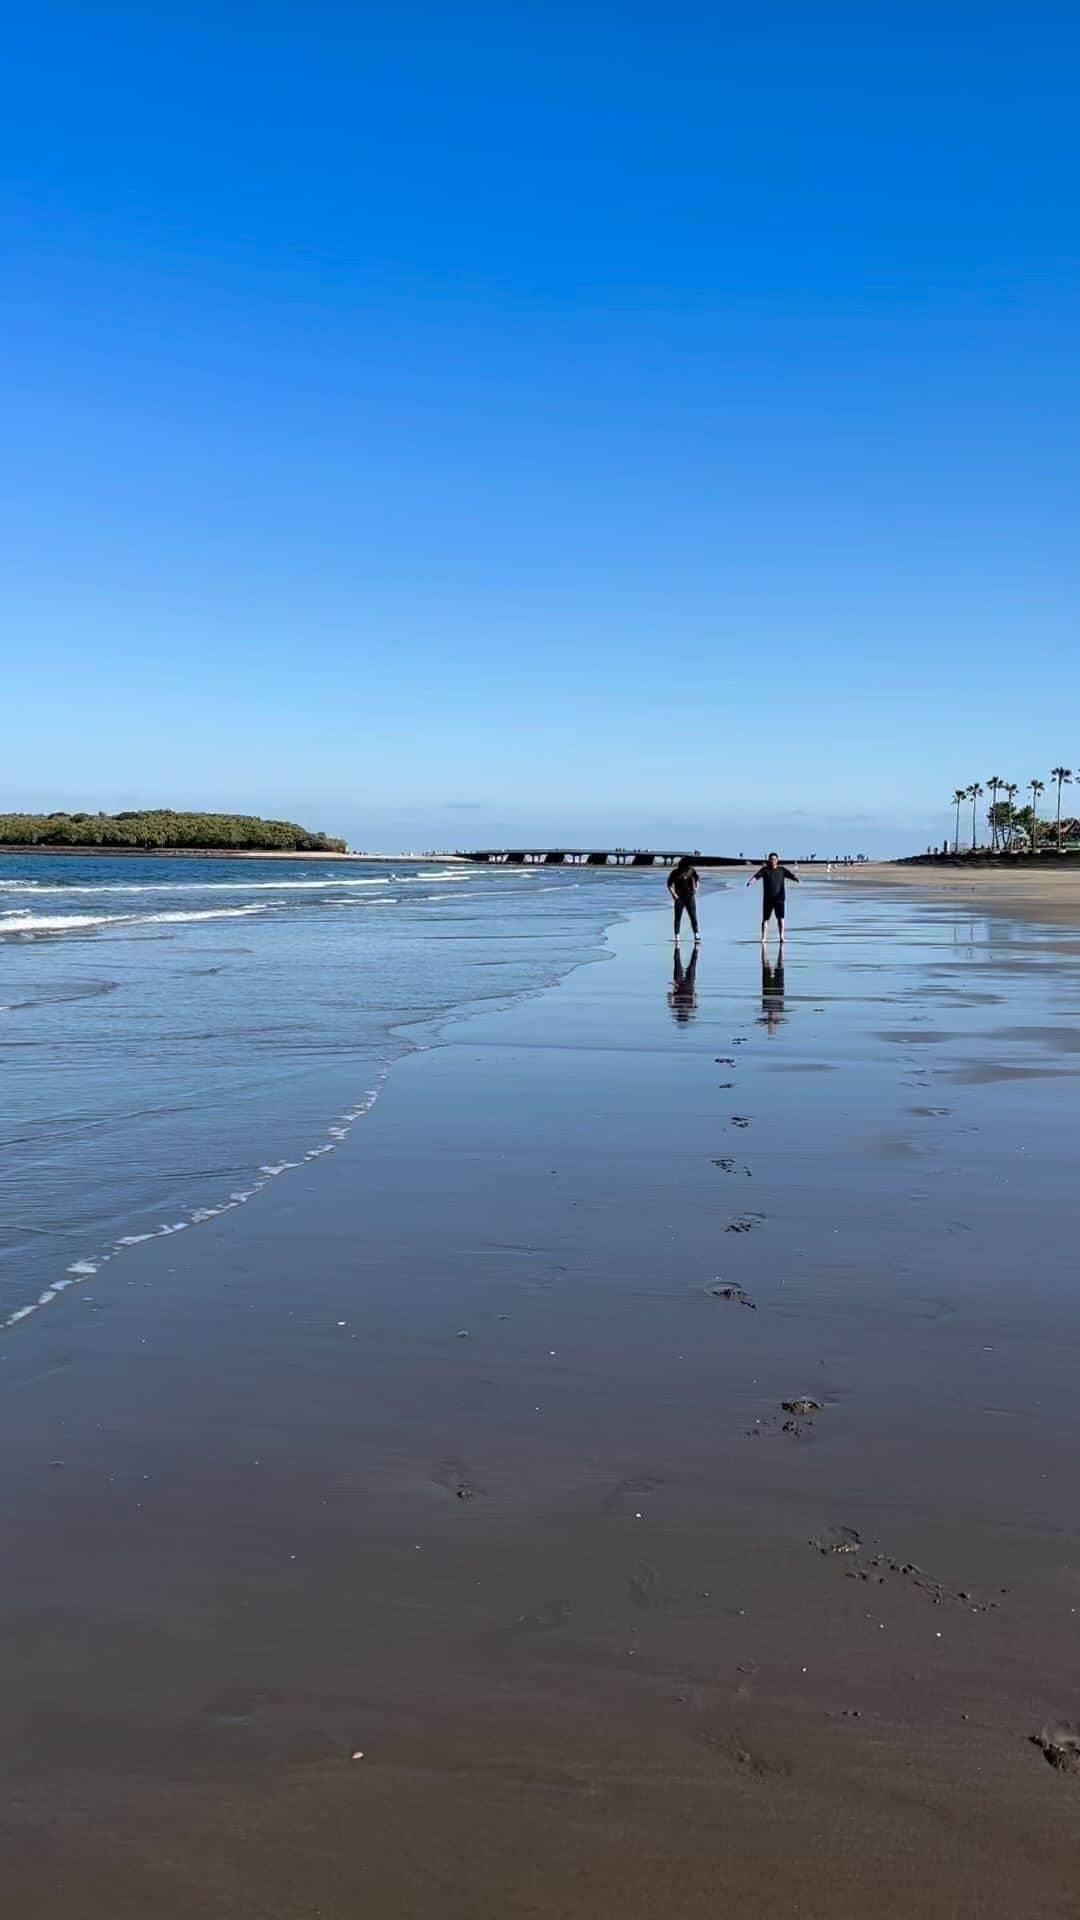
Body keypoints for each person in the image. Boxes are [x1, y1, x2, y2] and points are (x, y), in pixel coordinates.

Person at [747, 851, 799, 943]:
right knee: (765, 919)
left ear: (777, 860)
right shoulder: (765, 870)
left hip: (780, 898)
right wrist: (751, 882)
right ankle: (763, 938)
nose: (773, 861)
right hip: (768, 898)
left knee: (781, 919)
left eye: (774, 859)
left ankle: (781, 937)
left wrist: (797, 879)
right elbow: (756, 876)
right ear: (769, 860)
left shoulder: (781, 870)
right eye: (771, 859)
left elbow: (791, 875)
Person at [667, 855, 700, 942]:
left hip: (690, 896)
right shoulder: (675, 872)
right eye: (686, 866)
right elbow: (669, 884)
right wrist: (673, 894)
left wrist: (696, 888)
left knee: (693, 916)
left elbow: (697, 880)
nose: (688, 868)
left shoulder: (692, 871)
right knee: (678, 917)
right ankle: (677, 936)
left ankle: (696, 934)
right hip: (679, 897)